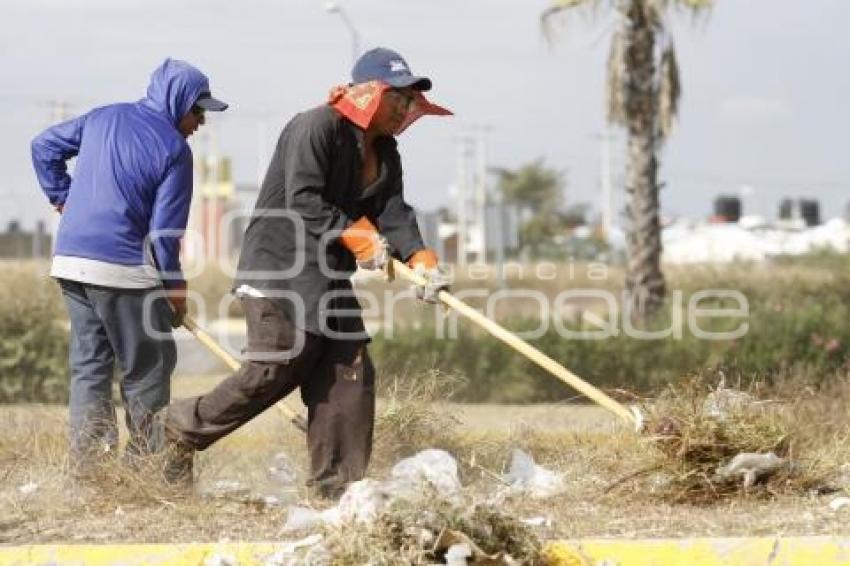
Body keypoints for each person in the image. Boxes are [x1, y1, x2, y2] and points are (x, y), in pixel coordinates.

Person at [164, 47, 452, 497]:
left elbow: (392, 212)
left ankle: (337, 491)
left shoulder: (387, 152)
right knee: (276, 368)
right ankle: (178, 429)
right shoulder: (314, 127)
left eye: (408, 101)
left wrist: (421, 259)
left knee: (348, 374)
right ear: (368, 94)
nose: (403, 108)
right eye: (396, 98)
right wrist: (357, 237)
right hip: (278, 269)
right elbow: (302, 200)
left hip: (327, 277)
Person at [30, 58, 228, 473]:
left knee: (90, 369)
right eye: (198, 110)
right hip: (121, 268)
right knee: (149, 366)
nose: (201, 122)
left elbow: (43, 146)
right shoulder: (175, 151)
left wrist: (62, 197)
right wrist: (175, 288)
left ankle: (92, 471)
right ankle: (147, 468)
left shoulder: (103, 117)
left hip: (71, 262)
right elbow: (164, 234)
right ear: (178, 103)